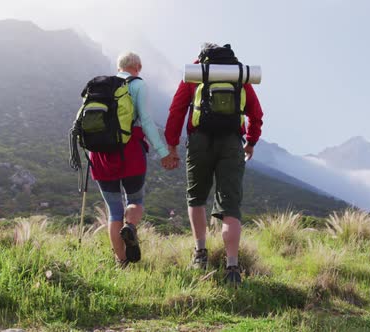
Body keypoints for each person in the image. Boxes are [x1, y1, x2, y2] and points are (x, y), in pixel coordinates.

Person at [164, 43, 264, 285]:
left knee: (196, 197)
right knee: (230, 205)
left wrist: (172, 145)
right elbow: (256, 113)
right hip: (231, 142)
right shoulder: (238, 75)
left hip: (199, 141)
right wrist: (250, 142)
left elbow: (176, 110)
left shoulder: (196, 74)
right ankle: (232, 267)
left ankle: (200, 254)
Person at [90, 51, 178, 267]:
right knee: (135, 200)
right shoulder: (138, 85)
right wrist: (163, 151)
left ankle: (121, 262)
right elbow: (146, 122)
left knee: (113, 211)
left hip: (101, 156)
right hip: (130, 154)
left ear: (118, 67)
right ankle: (130, 226)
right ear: (137, 66)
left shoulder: (100, 86)